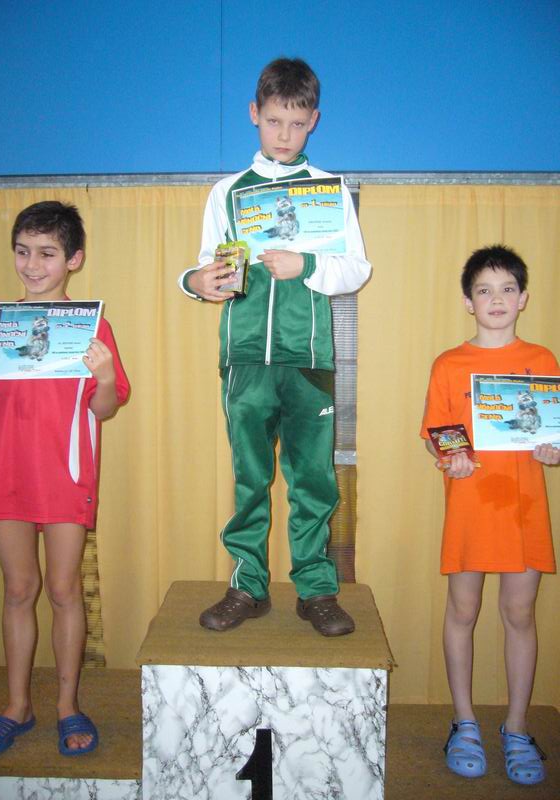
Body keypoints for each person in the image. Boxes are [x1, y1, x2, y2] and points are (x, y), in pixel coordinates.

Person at [178, 58, 371, 636]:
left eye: (297, 123)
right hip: (244, 360)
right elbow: (207, 264)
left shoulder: (329, 190)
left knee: (314, 481)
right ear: (253, 115)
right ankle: (247, 585)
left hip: (308, 359)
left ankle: (316, 589)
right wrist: (196, 282)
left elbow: (355, 269)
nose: (285, 135)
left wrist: (304, 264)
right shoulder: (227, 192)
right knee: (250, 479)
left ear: (314, 121)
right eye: (273, 121)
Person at [0, 201, 130, 756]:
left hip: (65, 476)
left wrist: (103, 375)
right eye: (23, 252)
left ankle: (67, 705)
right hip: (6, 476)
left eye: (47, 253)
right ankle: (18, 705)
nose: (32, 265)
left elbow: (105, 408)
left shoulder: (92, 326)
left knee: (63, 590)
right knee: (18, 590)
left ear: (73, 260)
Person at [421, 245, 558, 785]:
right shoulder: (448, 364)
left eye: (506, 289)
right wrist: (450, 458)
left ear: (523, 299)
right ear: (468, 302)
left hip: (524, 509)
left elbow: (551, 432)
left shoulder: (542, 361)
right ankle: (465, 722)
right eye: (484, 290)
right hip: (471, 507)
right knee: (463, 610)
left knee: (520, 615)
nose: (496, 299)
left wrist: (553, 450)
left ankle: (517, 728)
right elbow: (437, 434)